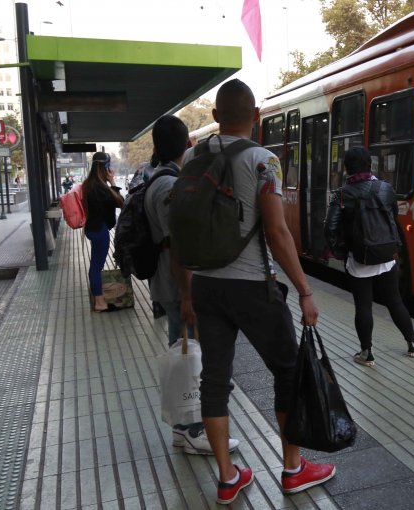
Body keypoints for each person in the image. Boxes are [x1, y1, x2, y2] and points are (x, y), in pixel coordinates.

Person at [182, 79, 334, 505]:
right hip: (252, 287)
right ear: (256, 117)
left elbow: (184, 229)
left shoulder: (194, 156)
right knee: (288, 371)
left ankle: (228, 478)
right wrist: (304, 290)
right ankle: (293, 468)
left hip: (207, 285)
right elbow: (277, 231)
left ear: (214, 118)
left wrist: (186, 292)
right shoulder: (264, 161)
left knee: (215, 378)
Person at [145, 115, 240, 456]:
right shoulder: (169, 185)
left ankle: (182, 428)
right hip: (177, 288)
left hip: (168, 285)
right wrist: (188, 296)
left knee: (185, 353)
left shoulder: (156, 179)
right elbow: (178, 246)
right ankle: (192, 429)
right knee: (190, 357)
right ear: (188, 145)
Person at [324, 146, 414, 367]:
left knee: (363, 306)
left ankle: (366, 354)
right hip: (387, 255)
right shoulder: (385, 188)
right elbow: (391, 215)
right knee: (394, 301)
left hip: (359, 257)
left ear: (346, 168)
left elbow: (330, 227)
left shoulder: (341, 195)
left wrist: (340, 251)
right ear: (370, 166)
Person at [82, 152, 124, 312]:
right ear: (105, 166)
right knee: (96, 267)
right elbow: (120, 202)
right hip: (100, 230)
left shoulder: (88, 184)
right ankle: (99, 302)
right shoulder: (100, 187)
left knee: (95, 265)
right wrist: (112, 181)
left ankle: (98, 300)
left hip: (93, 228)